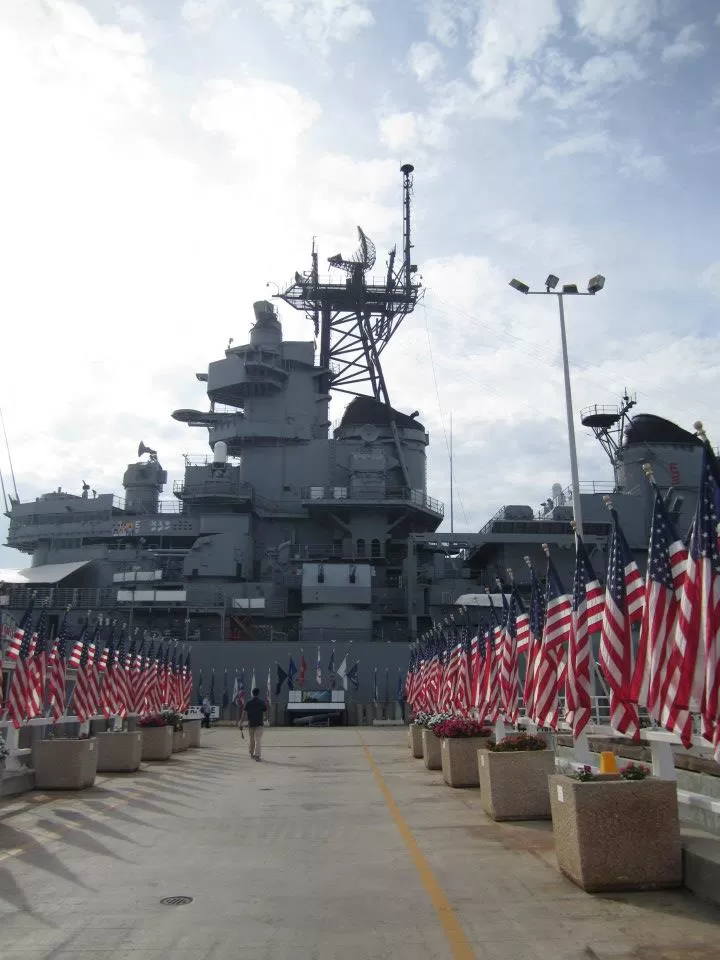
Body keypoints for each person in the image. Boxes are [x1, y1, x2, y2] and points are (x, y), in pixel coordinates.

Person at [240, 687, 267, 761]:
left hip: (251, 724)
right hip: (259, 724)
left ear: (252, 693)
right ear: (258, 693)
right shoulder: (262, 702)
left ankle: (252, 753)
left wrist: (241, 722)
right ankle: (257, 756)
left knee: (252, 740)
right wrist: (265, 718)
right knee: (258, 740)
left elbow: (243, 713)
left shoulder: (248, 702)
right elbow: (265, 713)